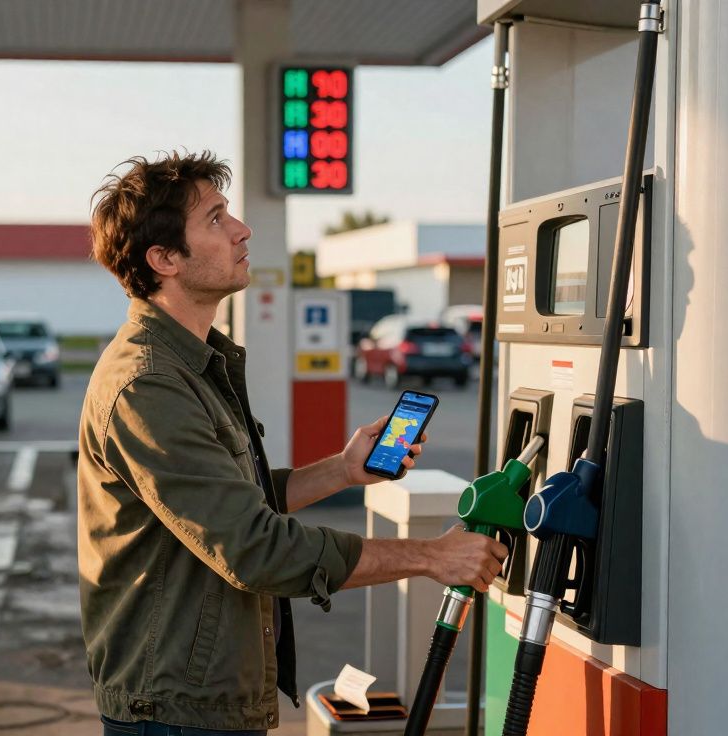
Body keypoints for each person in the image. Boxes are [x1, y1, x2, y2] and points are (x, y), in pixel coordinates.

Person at [78, 151, 507, 735]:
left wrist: (341, 471)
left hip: (198, 701)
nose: (241, 229)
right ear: (164, 260)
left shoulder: (188, 365)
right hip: (175, 712)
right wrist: (431, 557)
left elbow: (231, 506)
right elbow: (255, 549)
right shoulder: (148, 384)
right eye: (215, 218)